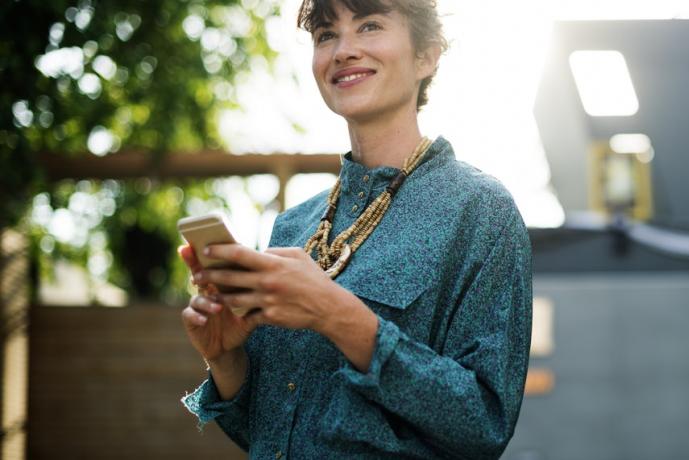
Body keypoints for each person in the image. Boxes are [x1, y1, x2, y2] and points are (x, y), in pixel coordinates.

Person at [179, 0, 533, 458]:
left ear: (426, 55)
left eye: (369, 26)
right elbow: (265, 432)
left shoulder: (480, 211)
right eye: (326, 34)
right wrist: (225, 359)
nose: (344, 50)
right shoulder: (292, 226)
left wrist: (336, 315)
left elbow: (484, 424)